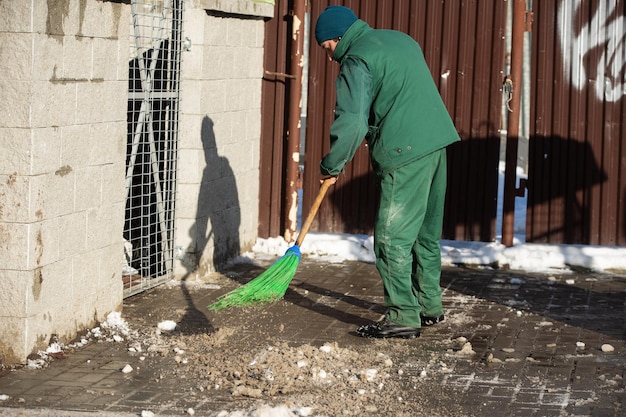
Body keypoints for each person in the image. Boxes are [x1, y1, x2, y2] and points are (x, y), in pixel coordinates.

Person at [314, 6, 460, 339]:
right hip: (437, 144)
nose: (330, 57)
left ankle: (402, 316)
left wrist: (331, 165)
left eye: (327, 48)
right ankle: (428, 306)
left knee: (392, 238)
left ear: (337, 38)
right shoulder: (400, 40)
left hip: (404, 152)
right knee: (425, 233)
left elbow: (352, 122)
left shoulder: (357, 60)